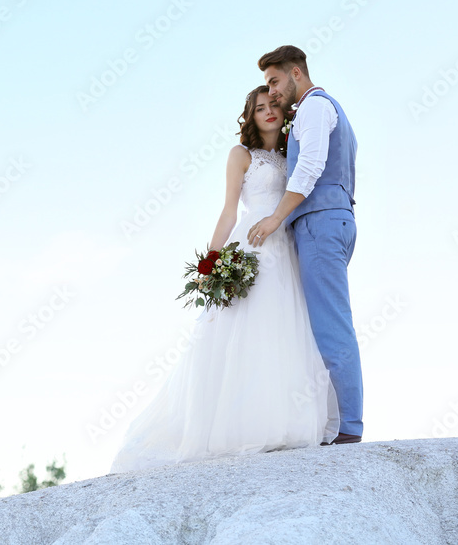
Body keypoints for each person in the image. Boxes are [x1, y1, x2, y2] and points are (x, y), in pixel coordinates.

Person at [108, 86, 340, 474]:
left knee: (286, 328)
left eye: (273, 106)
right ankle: (239, 427)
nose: (268, 112)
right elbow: (229, 211)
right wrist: (211, 262)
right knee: (244, 327)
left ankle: (285, 420)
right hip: (252, 241)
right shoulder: (241, 155)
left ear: (284, 112)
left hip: (286, 241)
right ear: (249, 116)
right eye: (259, 108)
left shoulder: (290, 154)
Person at [247, 45, 362, 445]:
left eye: (274, 82)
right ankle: (336, 424)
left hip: (319, 223)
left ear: (296, 73)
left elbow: (311, 167)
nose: (272, 92)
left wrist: (277, 217)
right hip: (337, 218)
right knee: (326, 323)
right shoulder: (332, 110)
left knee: (331, 327)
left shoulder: (313, 108)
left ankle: (348, 428)